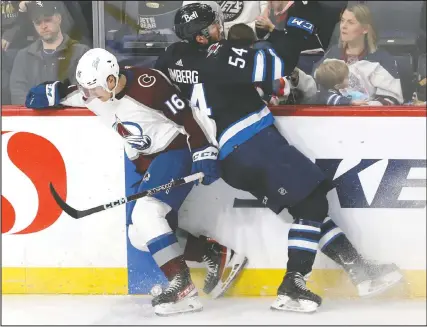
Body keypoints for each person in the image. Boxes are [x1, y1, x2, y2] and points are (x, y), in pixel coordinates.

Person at [155, 2, 403, 313]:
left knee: (304, 207)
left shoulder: (173, 56)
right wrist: (295, 30)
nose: (220, 30)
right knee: (313, 204)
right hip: (253, 144)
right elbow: (275, 63)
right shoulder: (219, 55)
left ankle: (360, 271)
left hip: (231, 157)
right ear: (205, 34)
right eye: (215, 26)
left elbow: (152, 84)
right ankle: (293, 285)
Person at [24, 48, 247, 317]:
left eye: (92, 89)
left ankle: (182, 286)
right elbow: (37, 97)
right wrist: (51, 92)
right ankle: (213, 253)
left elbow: (188, 117)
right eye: (85, 89)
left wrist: (204, 151)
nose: (87, 96)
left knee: (146, 212)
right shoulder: (92, 94)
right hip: (149, 162)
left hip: (176, 150)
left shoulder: (148, 84)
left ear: (110, 80)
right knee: (139, 234)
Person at [312, 3, 403, 106]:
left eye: (350, 22)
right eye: (342, 21)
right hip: (335, 118)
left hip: (368, 119)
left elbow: (392, 99)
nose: (343, 26)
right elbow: (315, 89)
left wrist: (364, 107)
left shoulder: (381, 59)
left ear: (365, 29)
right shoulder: (332, 55)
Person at [9, 1, 89, 104]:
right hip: (32, 118)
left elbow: (83, 94)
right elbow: (17, 96)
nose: (43, 26)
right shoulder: (23, 56)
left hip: (69, 118)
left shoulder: (81, 53)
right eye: (38, 22)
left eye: (47, 20)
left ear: (58, 18)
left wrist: (43, 102)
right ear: (33, 24)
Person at [183, 0, 268, 38]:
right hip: (212, 39)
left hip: (251, 36)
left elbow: (265, 11)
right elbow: (188, 14)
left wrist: (256, 29)